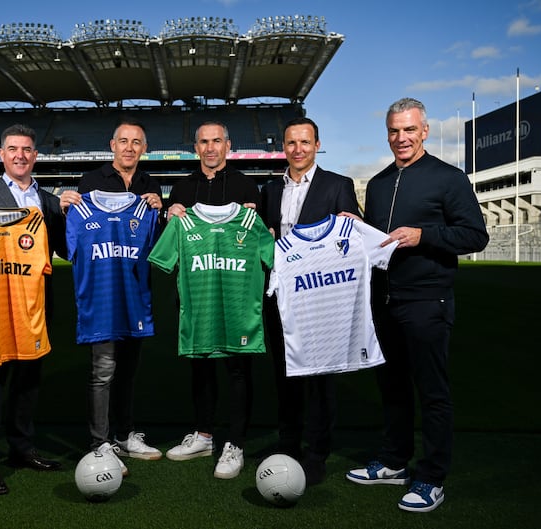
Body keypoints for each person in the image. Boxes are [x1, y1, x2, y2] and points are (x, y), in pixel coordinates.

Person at [345, 98, 488, 512]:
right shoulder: (378, 183)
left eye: (409, 130)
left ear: (424, 130)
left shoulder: (449, 178)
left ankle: (431, 477)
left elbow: (475, 236)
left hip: (428, 300)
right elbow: (375, 245)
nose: (401, 138)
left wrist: (423, 235)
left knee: (432, 392)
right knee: (391, 389)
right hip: (385, 303)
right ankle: (393, 462)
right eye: (394, 131)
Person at [0, 124, 67, 494]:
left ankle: (22, 448)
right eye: (13, 149)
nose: (20, 155)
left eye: (26, 149)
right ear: (1, 154)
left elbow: (65, 251)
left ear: (35, 155)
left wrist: (76, 215)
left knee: (29, 381)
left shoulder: (51, 202)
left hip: (36, 302)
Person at [259, 117, 360, 485]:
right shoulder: (269, 190)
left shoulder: (338, 185)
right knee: (284, 374)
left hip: (319, 299)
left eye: (304, 142)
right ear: (283, 147)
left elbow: (351, 239)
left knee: (319, 379)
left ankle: (317, 452)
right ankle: (287, 443)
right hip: (278, 297)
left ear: (317, 144)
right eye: (290, 143)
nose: (297, 149)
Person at [60, 119, 164, 474]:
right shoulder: (90, 183)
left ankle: (124, 434)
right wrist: (66, 209)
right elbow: (69, 246)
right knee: (103, 369)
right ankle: (99, 443)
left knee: (128, 371)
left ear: (144, 148)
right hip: (103, 298)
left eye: (137, 142)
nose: (130, 147)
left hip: (134, 295)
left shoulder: (151, 186)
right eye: (124, 141)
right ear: (112, 145)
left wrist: (159, 212)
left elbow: (159, 245)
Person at [162, 121, 261, 479]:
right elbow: (169, 242)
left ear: (228, 145)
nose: (210, 148)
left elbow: (259, 241)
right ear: (195, 147)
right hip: (197, 294)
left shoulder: (246, 185)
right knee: (200, 365)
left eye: (216, 141)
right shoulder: (182, 187)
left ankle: (235, 442)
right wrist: (167, 215)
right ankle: (204, 434)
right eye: (203, 142)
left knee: (237, 369)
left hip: (234, 295)